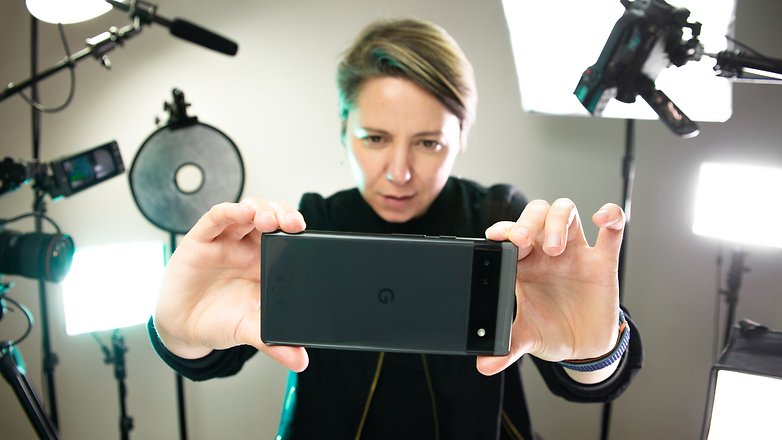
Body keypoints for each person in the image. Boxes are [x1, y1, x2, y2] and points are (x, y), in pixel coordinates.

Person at [148, 18, 643, 440]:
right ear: (343, 130)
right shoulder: (314, 223)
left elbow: (593, 380)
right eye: (375, 138)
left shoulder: (501, 222)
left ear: (461, 137)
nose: (399, 171)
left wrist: (597, 351)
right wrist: (177, 330)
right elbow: (215, 356)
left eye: (428, 143)